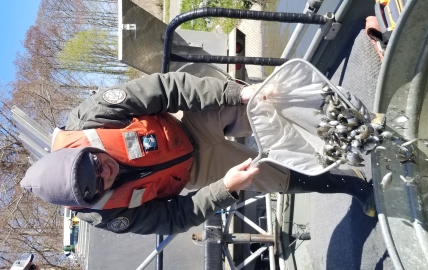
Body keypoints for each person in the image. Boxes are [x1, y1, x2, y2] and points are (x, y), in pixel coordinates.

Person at [20, 72, 375, 235]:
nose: (105, 170)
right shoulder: (108, 218)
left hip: (187, 124)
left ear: (79, 152)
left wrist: (237, 95)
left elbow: (167, 88)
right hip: (197, 172)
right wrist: (225, 188)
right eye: (97, 183)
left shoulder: (92, 117)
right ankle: (354, 187)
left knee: (264, 104)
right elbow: (176, 217)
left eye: (93, 162)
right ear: (88, 199)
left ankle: (354, 120)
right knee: (273, 179)